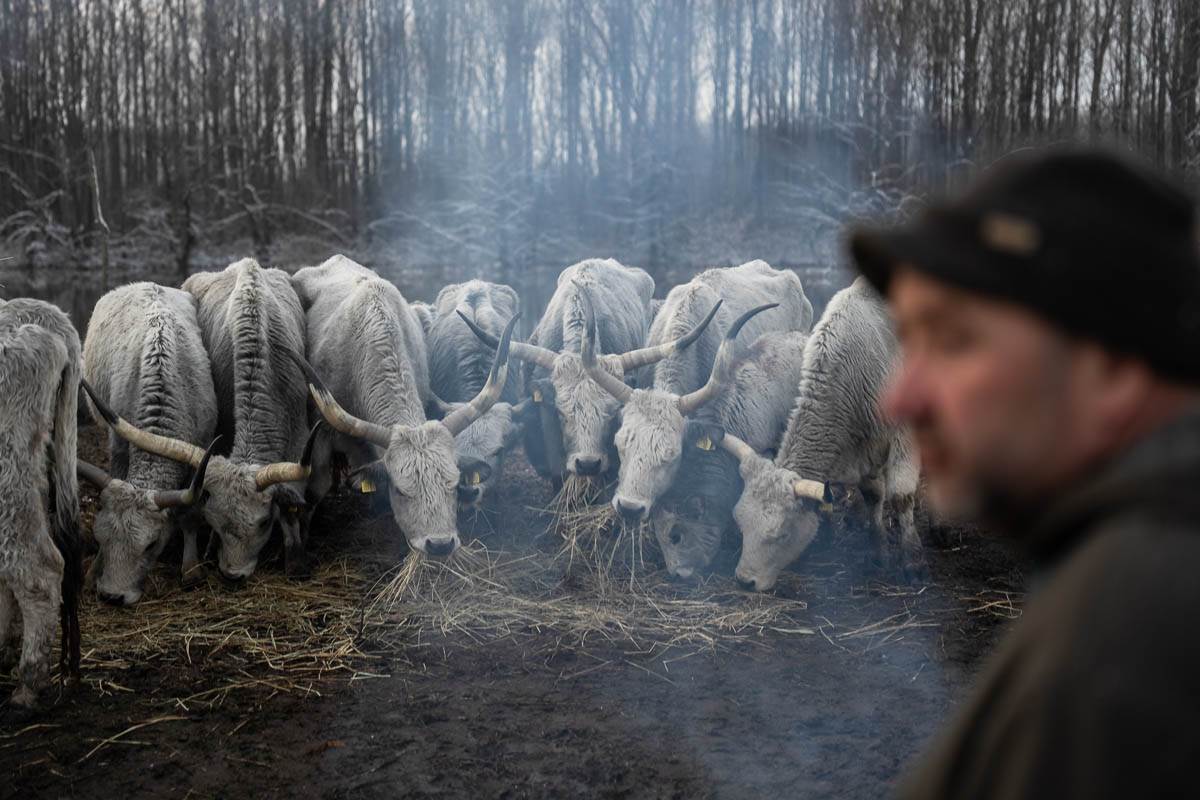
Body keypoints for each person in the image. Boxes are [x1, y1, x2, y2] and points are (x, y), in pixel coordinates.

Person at [849, 149, 1200, 799]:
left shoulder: (1120, 642)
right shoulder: (1123, 570)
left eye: (953, 341)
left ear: (1115, 369)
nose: (898, 400)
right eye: (907, 341)